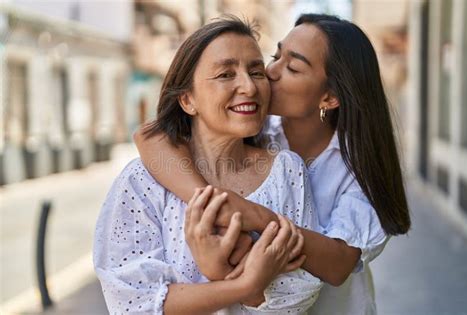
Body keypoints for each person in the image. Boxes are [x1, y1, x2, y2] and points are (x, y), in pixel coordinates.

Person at [134, 14, 411, 314]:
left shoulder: (355, 163)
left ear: (329, 97)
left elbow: (339, 262)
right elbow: (150, 137)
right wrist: (213, 204)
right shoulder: (254, 127)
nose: (270, 72)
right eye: (276, 56)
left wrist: (253, 214)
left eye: (292, 67)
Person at [94, 17, 323, 314]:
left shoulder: (287, 171)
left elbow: (301, 296)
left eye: (256, 72)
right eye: (226, 74)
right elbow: (133, 302)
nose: (249, 87)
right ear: (188, 100)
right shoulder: (142, 181)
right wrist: (242, 285)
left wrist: (220, 272)